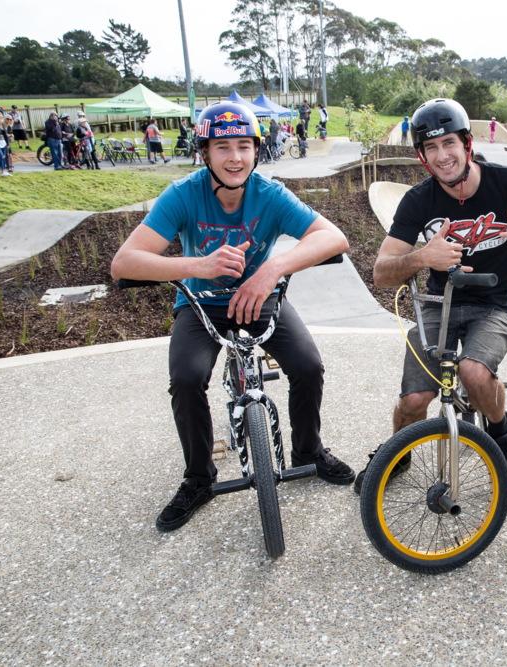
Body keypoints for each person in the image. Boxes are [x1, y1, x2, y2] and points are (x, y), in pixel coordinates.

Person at [110, 101, 354, 532]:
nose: (235, 157)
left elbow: (334, 238)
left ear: (258, 151)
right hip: (200, 304)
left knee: (309, 366)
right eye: (222, 147)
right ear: (204, 152)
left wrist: (272, 269)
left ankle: (308, 450)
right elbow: (124, 263)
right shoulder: (184, 195)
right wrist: (198, 266)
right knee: (186, 380)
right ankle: (199, 478)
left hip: (259, 298)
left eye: (244, 146)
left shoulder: (270, 195)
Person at [356, 97, 507, 493]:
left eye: (449, 143)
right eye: (431, 147)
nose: (442, 155)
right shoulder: (418, 200)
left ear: (467, 145)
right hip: (440, 304)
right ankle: (396, 455)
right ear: (421, 156)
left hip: (494, 305)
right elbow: (382, 272)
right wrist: (423, 256)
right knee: (415, 400)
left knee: (473, 372)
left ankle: (500, 431)